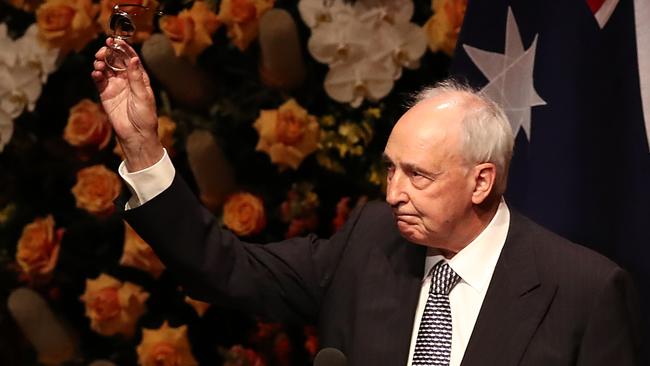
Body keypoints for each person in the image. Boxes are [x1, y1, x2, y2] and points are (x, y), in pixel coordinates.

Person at [92, 40, 643, 366]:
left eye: (418, 175)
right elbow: (228, 268)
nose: (393, 193)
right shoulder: (369, 240)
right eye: (390, 168)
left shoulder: (584, 291)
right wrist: (141, 147)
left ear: (481, 182)